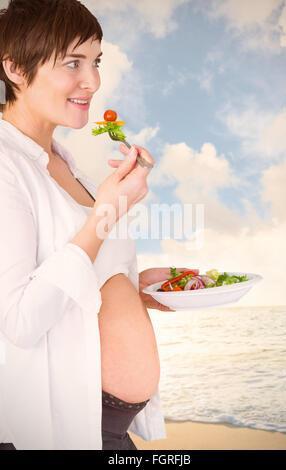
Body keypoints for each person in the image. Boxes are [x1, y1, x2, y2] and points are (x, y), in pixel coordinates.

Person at [0, 0, 195, 450]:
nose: (93, 81)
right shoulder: (6, 165)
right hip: (55, 427)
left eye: (96, 61)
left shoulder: (72, 168)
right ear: (13, 68)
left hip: (104, 425)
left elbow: (74, 280)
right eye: (73, 62)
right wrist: (107, 212)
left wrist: (133, 291)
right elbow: (19, 320)